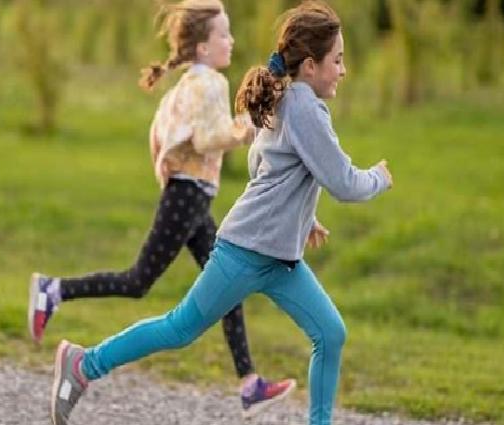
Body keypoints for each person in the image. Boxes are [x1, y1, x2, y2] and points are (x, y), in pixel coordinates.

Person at [48, 1, 394, 424]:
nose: (343, 70)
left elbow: (265, 165)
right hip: (246, 253)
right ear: (309, 66)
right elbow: (342, 181)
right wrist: (377, 177)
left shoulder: (287, 99)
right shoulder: (303, 106)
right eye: (337, 60)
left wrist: (304, 218)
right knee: (179, 328)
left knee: (330, 333)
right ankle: (84, 365)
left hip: (280, 259)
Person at [29, 0, 295, 418]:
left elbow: (160, 138)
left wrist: (176, 165)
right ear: (203, 48)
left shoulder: (187, 84)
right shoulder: (210, 84)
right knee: (139, 281)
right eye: (224, 34)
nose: (232, 41)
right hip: (188, 197)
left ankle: (249, 383)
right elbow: (209, 138)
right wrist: (246, 129)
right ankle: (55, 291)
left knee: (228, 286)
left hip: (190, 196)